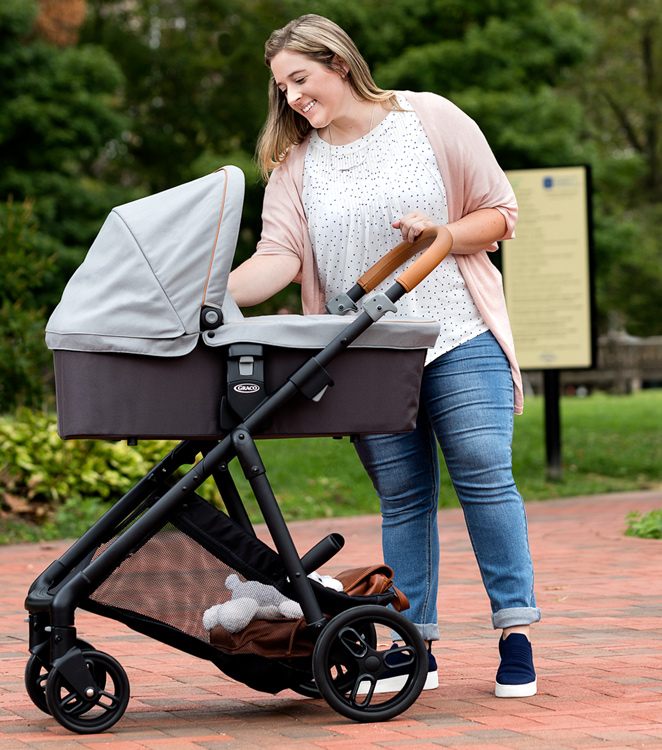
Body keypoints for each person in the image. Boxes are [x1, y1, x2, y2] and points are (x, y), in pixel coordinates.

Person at [228, 13, 540, 698]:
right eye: (281, 88)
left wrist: (443, 232)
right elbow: (277, 257)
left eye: (300, 79)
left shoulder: (429, 118)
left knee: (485, 473)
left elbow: (501, 214)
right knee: (403, 499)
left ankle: (515, 635)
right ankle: (414, 646)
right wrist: (211, 293)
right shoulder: (296, 164)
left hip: (457, 335)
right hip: (366, 356)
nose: (291, 98)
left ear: (338, 63)